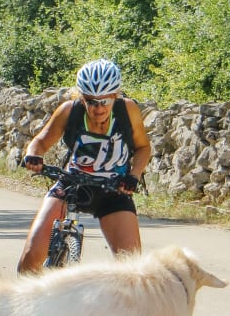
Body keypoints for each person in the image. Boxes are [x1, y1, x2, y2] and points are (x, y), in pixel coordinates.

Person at [17, 58, 152, 274]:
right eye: (91, 101)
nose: (98, 109)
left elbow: (143, 148)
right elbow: (41, 141)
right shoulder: (69, 110)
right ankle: (21, 304)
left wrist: (133, 176)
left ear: (115, 96)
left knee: (133, 270)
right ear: (82, 97)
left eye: (104, 102)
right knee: (31, 255)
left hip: (114, 190)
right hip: (73, 184)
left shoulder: (128, 110)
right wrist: (33, 155)